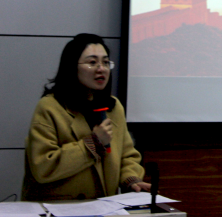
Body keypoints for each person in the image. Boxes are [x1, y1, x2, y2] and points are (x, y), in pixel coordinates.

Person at [22, 33, 150, 200]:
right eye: (92, 62)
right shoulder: (50, 107)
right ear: (72, 66)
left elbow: (127, 156)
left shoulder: (113, 107)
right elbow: (43, 166)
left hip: (103, 206)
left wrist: (130, 179)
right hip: (57, 207)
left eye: (106, 62)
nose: (101, 69)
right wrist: (92, 144)